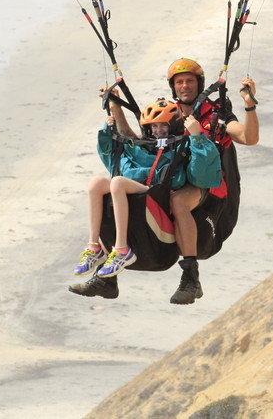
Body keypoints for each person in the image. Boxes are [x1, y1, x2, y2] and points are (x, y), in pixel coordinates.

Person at [71, 58, 259, 304]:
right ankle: (107, 276)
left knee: (178, 202)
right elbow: (141, 144)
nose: (185, 86)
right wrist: (116, 108)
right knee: (118, 193)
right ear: (173, 87)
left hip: (203, 182)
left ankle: (190, 279)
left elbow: (249, 138)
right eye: (179, 82)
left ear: (199, 83)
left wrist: (249, 105)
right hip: (170, 178)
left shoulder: (216, 114)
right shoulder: (169, 112)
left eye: (189, 81)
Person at [72, 98, 221, 284]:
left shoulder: (183, 146)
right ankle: (94, 246)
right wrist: (106, 132)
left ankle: (121, 249)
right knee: (96, 183)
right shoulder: (142, 148)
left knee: (117, 183)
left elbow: (202, 176)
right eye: (154, 126)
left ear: (174, 126)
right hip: (138, 190)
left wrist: (196, 136)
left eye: (163, 125)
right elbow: (112, 158)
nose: (158, 130)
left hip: (159, 193)